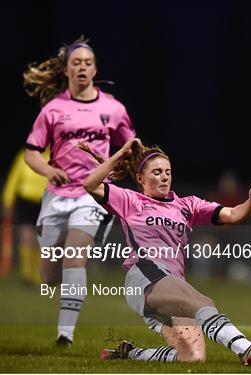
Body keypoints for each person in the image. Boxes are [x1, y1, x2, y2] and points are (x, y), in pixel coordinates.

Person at [81, 138, 251, 365]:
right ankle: (245, 348)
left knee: (192, 357)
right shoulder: (131, 200)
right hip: (146, 275)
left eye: (168, 172)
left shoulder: (186, 205)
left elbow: (232, 215)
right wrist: (120, 154)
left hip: (172, 284)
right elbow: (90, 184)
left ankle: (127, 353)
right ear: (140, 178)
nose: (164, 176)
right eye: (157, 172)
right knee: (202, 302)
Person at [23, 36, 136, 346]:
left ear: (95, 68)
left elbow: (131, 146)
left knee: (74, 257)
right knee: (48, 274)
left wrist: (126, 163)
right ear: (67, 70)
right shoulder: (53, 110)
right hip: (57, 197)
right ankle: (57, 280)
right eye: (76, 62)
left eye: (88, 62)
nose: (82, 67)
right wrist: (48, 170)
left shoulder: (112, 108)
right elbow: (31, 152)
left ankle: (65, 334)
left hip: (93, 195)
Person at [2, 147, 49, 284]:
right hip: (26, 201)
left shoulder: (54, 157)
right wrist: (8, 200)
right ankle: (27, 274)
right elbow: (13, 180)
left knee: (43, 240)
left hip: (45, 202)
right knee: (26, 236)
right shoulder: (24, 156)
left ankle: (40, 275)